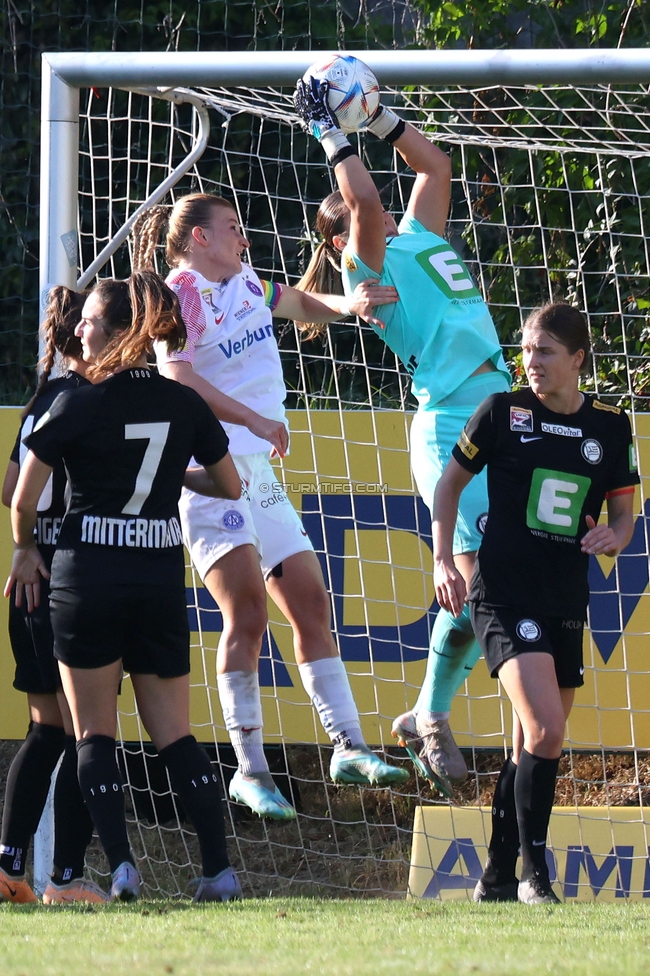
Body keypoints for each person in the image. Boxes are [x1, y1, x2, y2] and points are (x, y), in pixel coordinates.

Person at [131, 193, 408, 822]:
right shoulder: (181, 294)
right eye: (231, 228)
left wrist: (349, 303)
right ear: (198, 239)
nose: (243, 238)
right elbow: (178, 378)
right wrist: (253, 417)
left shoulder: (244, 279)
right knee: (248, 613)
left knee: (311, 600)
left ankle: (349, 746)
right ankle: (249, 771)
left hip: (260, 473)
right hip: (210, 472)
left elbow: (294, 302)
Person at [293, 73, 511, 794]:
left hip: (501, 407)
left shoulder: (417, 236)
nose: (372, 218)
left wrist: (379, 116)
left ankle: (424, 713)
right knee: (489, 586)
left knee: (499, 588)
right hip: (451, 418)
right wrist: (330, 130)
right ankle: (442, 719)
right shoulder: (367, 267)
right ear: (339, 239)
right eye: (349, 221)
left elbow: (436, 165)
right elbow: (363, 199)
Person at [5, 270, 244, 903]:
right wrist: (178, 481)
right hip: (159, 579)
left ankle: (118, 869)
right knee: (177, 737)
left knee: (91, 734)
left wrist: (25, 548)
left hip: (86, 578)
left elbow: (20, 500)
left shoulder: (75, 400)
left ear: (111, 332)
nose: (77, 330)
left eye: (88, 321)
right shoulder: (183, 401)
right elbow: (231, 486)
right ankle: (219, 871)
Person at [432, 303, 638, 903]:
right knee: (547, 729)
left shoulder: (611, 427)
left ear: (577, 359)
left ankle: (494, 878)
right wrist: (444, 559)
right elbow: (449, 485)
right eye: (525, 350)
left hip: (566, 597)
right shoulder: (503, 411)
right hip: (501, 593)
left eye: (544, 352)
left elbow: (626, 515)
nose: (531, 362)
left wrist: (615, 536)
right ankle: (533, 875)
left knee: (529, 742)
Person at [0, 288, 106, 905]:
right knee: (90, 734)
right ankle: (65, 878)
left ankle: (12, 863)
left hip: (30, 577)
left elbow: (11, 486)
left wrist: (27, 541)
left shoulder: (41, 401)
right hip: (69, 578)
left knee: (48, 730)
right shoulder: (86, 401)